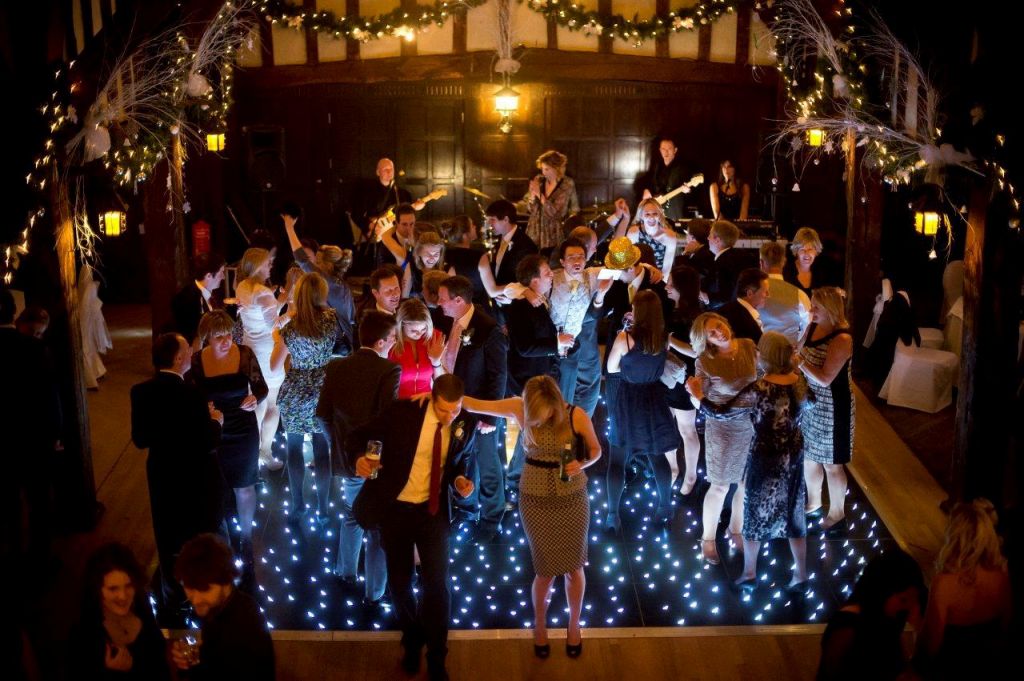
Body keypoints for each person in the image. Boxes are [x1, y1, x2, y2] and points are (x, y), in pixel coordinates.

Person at [457, 376, 601, 658]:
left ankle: (574, 625)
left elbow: (596, 450)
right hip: (534, 499)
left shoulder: (576, 414)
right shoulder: (517, 407)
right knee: (545, 571)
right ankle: (539, 624)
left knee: (575, 568)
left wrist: (581, 462)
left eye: (544, 415)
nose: (538, 421)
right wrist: (437, 378)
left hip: (572, 498)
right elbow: (472, 405)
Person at [349, 375, 477, 681]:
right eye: (444, 410)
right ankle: (411, 638)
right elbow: (359, 436)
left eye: (455, 410)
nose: (450, 417)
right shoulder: (403, 413)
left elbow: (460, 462)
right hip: (396, 509)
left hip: (432, 512)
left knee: (438, 586)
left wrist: (460, 480)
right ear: (432, 399)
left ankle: (437, 657)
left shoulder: (465, 424)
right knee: (400, 583)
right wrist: (360, 459)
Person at [687, 332, 811, 594]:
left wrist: (699, 395)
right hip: (794, 452)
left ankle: (750, 573)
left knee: (754, 514)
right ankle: (800, 575)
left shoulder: (759, 389)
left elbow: (720, 413)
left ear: (765, 356)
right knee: (795, 513)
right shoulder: (799, 382)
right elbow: (810, 403)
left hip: (765, 455)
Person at [130, 333, 224, 620]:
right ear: (179, 358)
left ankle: (172, 600)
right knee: (196, 533)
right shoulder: (192, 394)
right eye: (188, 350)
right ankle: (199, 593)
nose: (192, 353)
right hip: (194, 474)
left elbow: (141, 439)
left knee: (167, 534)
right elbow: (207, 441)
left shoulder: (140, 391)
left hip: (161, 472)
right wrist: (215, 421)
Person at [317, 310, 400, 607]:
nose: (393, 344)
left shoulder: (337, 367)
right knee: (377, 525)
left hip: (347, 460)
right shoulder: (388, 370)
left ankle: (345, 572)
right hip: (374, 461)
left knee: (352, 514)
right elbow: (385, 421)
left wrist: (341, 449)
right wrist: (372, 459)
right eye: (392, 339)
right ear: (380, 342)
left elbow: (323, 415)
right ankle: (375, 593)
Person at [188, 311, 267, 565]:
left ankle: (245, 538)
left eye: (229, 334)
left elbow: (261, 388)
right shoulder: (198, 361)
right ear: (207, 339)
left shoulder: (244, 354)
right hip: (215, 429)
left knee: (244, 486)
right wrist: (204, 410)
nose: (226, 340)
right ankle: (221, 540)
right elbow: (193, 396)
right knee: (218, 487)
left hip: (243, 427)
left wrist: (256, 399)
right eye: (219, 336)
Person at [437, 275, 508, 543]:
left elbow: (498, 375)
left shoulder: (489, 329)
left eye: (443, 299)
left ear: (458, 300)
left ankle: (492, 518)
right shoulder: (447, 321)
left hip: (481, 410)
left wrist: (490, 415)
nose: (439, 304)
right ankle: (467, 509)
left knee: (488, 464)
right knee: (462, 461)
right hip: (455, 406)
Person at [605, 290, 681, 531]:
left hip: (628, 398)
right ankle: (664, 508)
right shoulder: (663, 338)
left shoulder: (625, 339)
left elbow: (611, 368)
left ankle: (612, 516)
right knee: (656, 455)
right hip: (654, 398)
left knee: (617, 459)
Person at [1, 289, 62, 577]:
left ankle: (10, 555)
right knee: (39, 501)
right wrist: (55, 433)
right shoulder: (34, 350)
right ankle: (40, 560)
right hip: (33, 438)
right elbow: (49, 397)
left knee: (7, 501)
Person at [916, 499, 1011, 679]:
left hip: (950, 670)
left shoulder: (944, 583)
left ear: (954, 536)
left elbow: (931, 645)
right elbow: (1006, 629)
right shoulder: (1001, 577)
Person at [689, 313, 757, 565]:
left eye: (719, 326)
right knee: (719, 485)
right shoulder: (705, 361)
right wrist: (694, 394)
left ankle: (735, 529)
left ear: (726, 322)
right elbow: (698, 396)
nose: (719, 333)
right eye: (711, 333)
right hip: (722, 428)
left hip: (752, 425)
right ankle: (708, 538)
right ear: (706, 340)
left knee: (745, 482)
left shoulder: (749, 346)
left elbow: (763, 376)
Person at [271, 272, 338, 524]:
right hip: (323, 388)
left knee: (294, 449)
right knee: (322, 451)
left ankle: (298, 505)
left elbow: (275, 365)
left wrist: (277, 337)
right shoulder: (331, 319)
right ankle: (323, 509)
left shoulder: (290, 330)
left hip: (297, 389)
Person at [171, 534, 274, 681]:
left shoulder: (242, 627)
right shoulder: (222, 608)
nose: (195, 599)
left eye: (204, 589)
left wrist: (190, 668)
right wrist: (190, 660)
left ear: (226, 581)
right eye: (188, 586)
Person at [817, 548, 925, 681]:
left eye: (912, 601)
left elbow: (899, 659)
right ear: (883, 591)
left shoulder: (890, 616)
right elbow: (831, 674)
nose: (907, 607)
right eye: (903, 600)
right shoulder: (847, 626)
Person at [798, 287, 855, 537]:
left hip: (834, 407)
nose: (812, 311)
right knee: (809, 455)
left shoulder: (842, 339)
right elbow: (797, 349)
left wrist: (798, 362)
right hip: (810, 403)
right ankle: (813, 502)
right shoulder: (812, 327)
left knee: (832, 463)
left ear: (831, 310)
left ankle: (837, 513)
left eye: (817, 307)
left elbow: (825, 378)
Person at [67, 543, 171, 680]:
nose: (123, 596)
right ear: (97, 590)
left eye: (128, 586)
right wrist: (113, 673)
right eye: (113, 589)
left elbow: (160, 658)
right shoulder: (84, 633)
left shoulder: (140, 605)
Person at [235, 247, 287, 471]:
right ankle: (264, 450)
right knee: (271, 403)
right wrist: (293, 314)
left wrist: (282, 299)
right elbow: (274, 325)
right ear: (257, 266)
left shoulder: (242, 286)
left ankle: (250, 452)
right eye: (267, 263)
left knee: (255, 400)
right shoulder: (262, 291)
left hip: (249, 352)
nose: (270, 266)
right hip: (267, 353)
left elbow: (263, 311)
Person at [283, 204, 356, 355]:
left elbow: (302, 260)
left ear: (327, 264)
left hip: (335, 349)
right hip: (344, 347)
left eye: (318, 261)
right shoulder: (342, 286)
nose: (315, 264)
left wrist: (289, 227)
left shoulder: (328, 282)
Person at [505, 254, 575, 396]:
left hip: (542, 375)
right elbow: (525, 348)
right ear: (535, 281)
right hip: (526, 382)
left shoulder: (537, 299)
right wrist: (557, 343)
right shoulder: (521, 306)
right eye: (547, 273)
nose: (552, 275)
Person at [664, 263, 703, 497]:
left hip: (686, 378)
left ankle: (691, 475)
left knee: (687, 429)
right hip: (667, 376)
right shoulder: (670, 309)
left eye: (672, 284)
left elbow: (698, 351)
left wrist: (670, 341)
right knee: (668, 426)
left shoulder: (696, 316)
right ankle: (672, 468)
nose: (667, 287)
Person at [441, 215, 505, 308]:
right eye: (472, 225)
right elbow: (492, 291)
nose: (475, 226)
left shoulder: (444, 254)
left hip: (454, 308)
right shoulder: (479, 257)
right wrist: (516, 287)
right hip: (477, 309)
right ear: (465, 234)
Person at [390, 299, 446, 399]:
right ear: (401, 325)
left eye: (424, 329)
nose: (420, 334)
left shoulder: (434, 337)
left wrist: (436, 362)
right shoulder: (391, 340)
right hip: (398, 403)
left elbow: (441, 383)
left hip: (426, 400)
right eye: (414, 330)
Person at [759, 240, 811, 346]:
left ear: (761, 263)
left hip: (760, 352)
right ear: (784, 262)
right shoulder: (799, 294)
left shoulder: (752, 292)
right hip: (788, 353)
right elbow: (808, 325)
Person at [526, 150, 580, 251]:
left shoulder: (567, 184)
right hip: (534, 232)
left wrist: (539, 194)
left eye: (547, 169)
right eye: (542, 169)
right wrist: (532, 196)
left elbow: (555, 213)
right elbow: (530, 210)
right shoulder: (540, 180)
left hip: (552, 234)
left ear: (556, 169)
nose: (543, 173)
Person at [170, 252, 225, 348]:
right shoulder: (187, 300)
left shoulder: (210, 292)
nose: (223, 277)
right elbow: (194, 335)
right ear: (208, 276)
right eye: (221, 272)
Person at [486, 198, 538, 289]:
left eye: (492, 220)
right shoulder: (500, 238)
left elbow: (525, 281)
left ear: (506, 219)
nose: (489, 224)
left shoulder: (526, 245)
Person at [626, 198, 679, 276]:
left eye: (655, 214)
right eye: (647, 214)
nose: (651, 217)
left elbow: (666, 269)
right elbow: (628, 262)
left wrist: (660, 286)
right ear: (641, 216)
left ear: (660, 215)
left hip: (658, 278)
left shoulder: (670, 237)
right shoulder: (633, 233)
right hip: (635, 276)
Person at [705, 220, 750, 309]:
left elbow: (724, 297)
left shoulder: (721, 264)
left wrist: (706, 299)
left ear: (717, 240)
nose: (707, 238)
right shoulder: (742, 257)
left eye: (710, 235)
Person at [641, 136, 689, 221]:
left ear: (675, 150)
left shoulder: (682, 168)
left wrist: (688, 190)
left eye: (669, 149)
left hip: (675, 212)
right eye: (663, 149)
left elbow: (692, 186)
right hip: (659, 212)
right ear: (660, 150)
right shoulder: (657, 167)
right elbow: (651, 184)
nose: (666, 152)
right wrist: (647, 190)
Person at [719, 268, 769, 343]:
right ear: (750, 294)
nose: (768, 295)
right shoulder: (737, 319)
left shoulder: (733, 308)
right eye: (765, 292)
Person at [785, 226, 832, 296]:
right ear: (796, 252)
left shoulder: (822, 272)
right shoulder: (786, 272)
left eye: (810, 249)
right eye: (802, 249)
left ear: (816, 251)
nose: (806, 253)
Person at [403, 231, 446, 300]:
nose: (432, 258)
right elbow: (404, 296)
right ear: (419, 252)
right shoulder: (411, 266)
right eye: (428, 254)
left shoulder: (446, 268)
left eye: (436, 254)